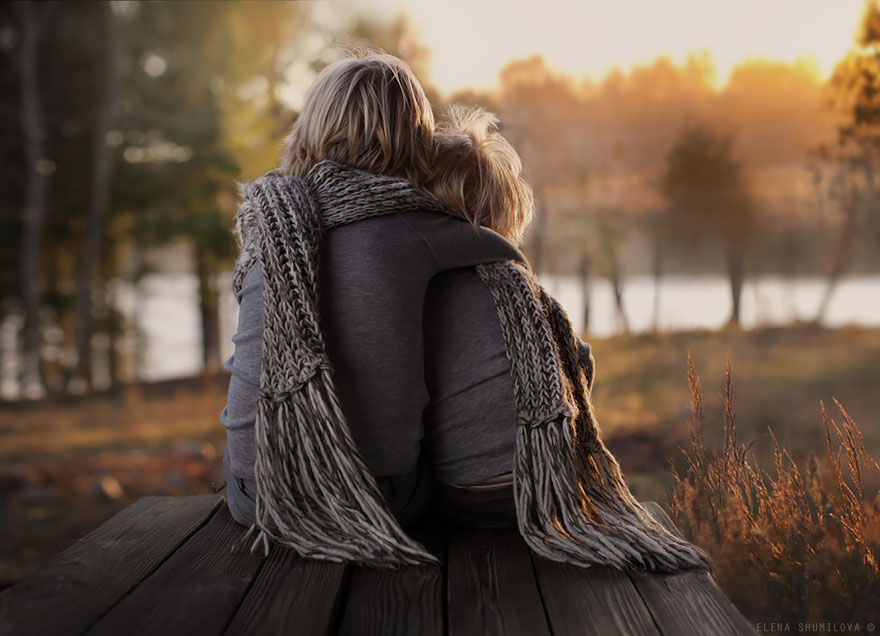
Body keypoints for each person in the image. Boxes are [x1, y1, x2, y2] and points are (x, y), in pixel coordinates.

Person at [220, 48, 594, 533]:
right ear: (420, 142)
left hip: (253, 498)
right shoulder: (417, 226)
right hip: (379, 501)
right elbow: (505, 254)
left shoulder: (267, 221)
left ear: (307, 129)